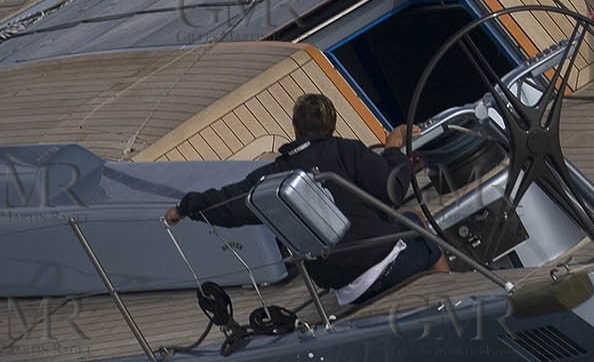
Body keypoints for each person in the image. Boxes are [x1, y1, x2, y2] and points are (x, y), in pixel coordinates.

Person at [164, 94, 442, 307]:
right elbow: (392, 190)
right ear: (332, 126)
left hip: (345, 287)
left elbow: (226, 205)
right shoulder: (348, 151)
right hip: (384, 263)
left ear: (295, 128)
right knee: (416, 224)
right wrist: (393, 147)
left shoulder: (269, 177)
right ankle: (452, 291)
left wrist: (184, 208)